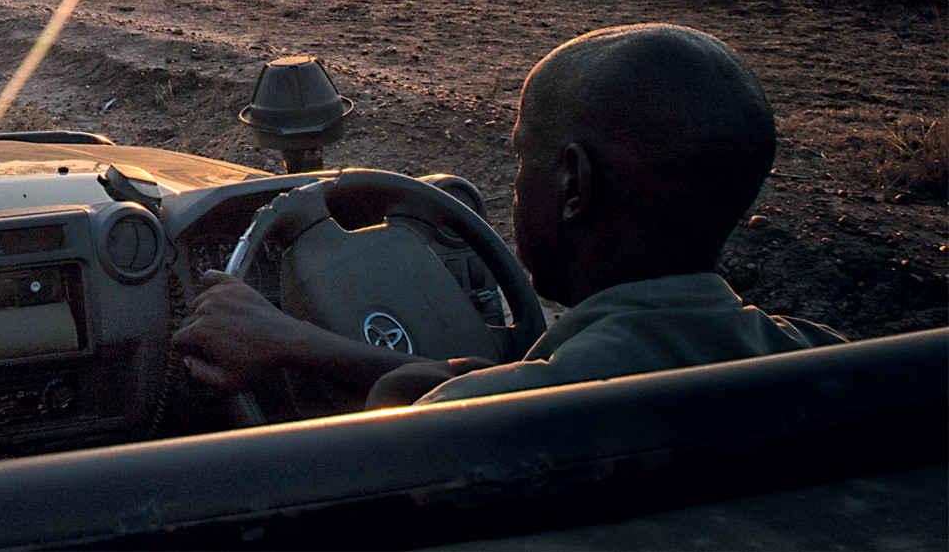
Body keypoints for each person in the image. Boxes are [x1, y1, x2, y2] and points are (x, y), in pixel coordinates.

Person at [171, 23, 843, 412]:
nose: (516, 189)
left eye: (523, 163)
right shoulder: (837, 362)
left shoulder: (473, 432)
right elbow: (493, 382)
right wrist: (293, 341)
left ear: (574, 184)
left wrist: (284, 346)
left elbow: (458, 404)